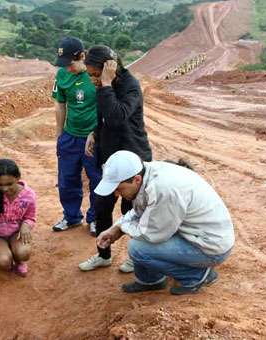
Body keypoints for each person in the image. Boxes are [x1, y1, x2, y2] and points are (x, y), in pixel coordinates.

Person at [95, 151, 235, 295]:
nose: (116, 194)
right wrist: (116, 227)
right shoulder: (145, 175)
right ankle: (150, 280)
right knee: (137, 236)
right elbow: (141, 212)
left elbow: (150, 234)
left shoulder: (163, 189)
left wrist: (121, 228)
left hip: (210, 246)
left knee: (137, 248)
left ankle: (196, 275)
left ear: (136, 179)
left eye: (118, 188)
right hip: (196, 234)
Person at [78, 45, 152, 273]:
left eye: (94, 74)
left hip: (133, 160)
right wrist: (95, 133)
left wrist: (106, 85)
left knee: (134, 212)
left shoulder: (130, 86)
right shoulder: (104, 87)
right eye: (88, 75)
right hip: (110, 158)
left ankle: (135, 257)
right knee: (101, 206)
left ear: (110, 68)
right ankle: (103, 255)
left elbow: (117, 116)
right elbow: (104, 118)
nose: (91, 79)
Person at [52, 36, 102, 235]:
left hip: (93, 138)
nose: (68, 69)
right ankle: (71, 217)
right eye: (64, 65)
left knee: (97, 179)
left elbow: (107, 107)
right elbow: (60, 104)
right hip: (70, 137)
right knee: (67, 179)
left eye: (70, 64)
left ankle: (96, 217)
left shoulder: (97, 75)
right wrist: (59, 135)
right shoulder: (62, 76)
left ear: (82, 56)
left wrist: (99, 133)